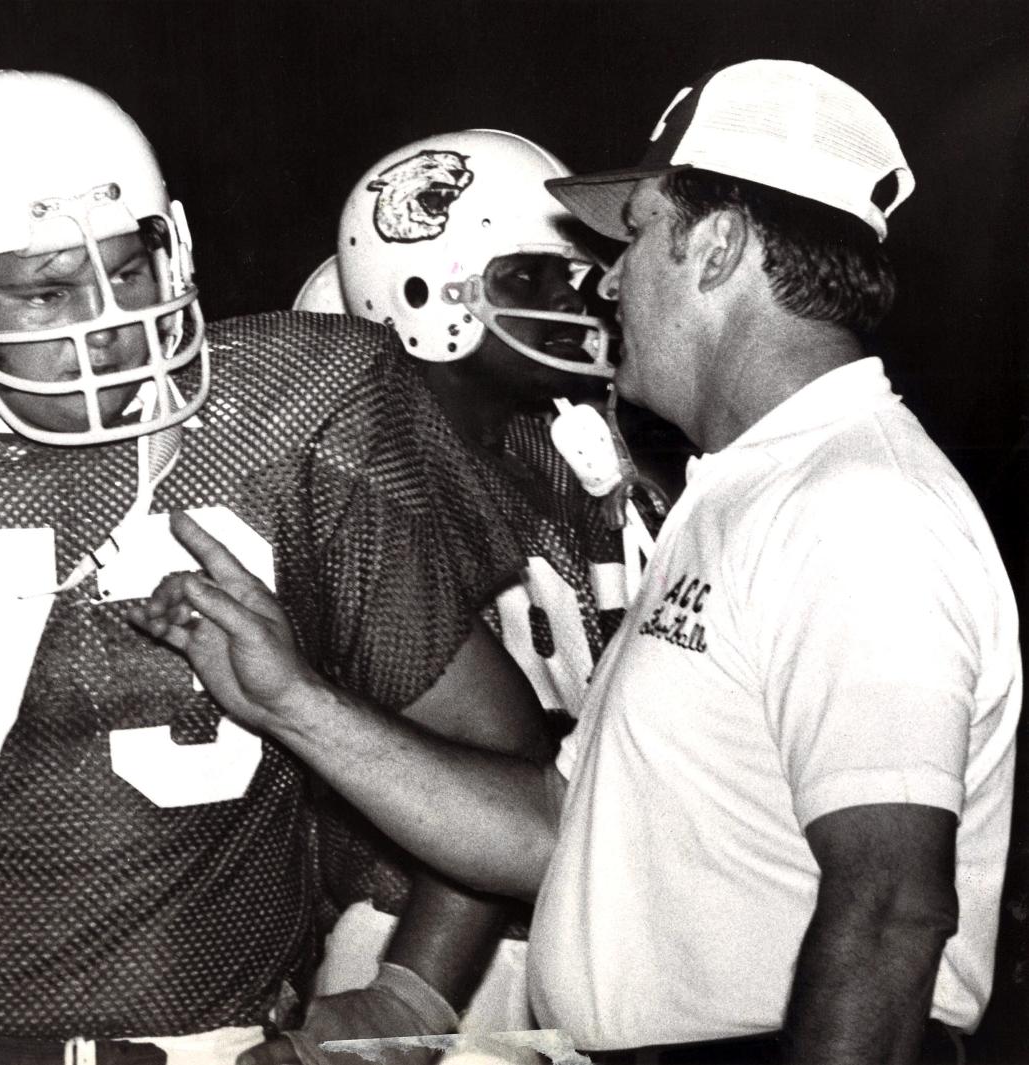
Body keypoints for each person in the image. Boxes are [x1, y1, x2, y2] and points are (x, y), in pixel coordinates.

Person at [135, 60, 1021, 1064]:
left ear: (719, 246)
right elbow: (561, 828)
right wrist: (290, 701)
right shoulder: (746, 490)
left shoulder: (857, 505)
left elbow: (891, 910)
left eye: (637, 231)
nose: (605, 277)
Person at [0, 71, 552, 1065]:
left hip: (225, 1041)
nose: (106, 319)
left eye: (129, 267)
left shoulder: (296, 405)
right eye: (46, 288)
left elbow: (503, 763)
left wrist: (409, 997)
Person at [290, 129, 661, 1035]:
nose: (577, 299)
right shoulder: (371, 480)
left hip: (578, 917)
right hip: (426, 935)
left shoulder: (563, 451)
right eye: (531, 280)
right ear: (419, 289)